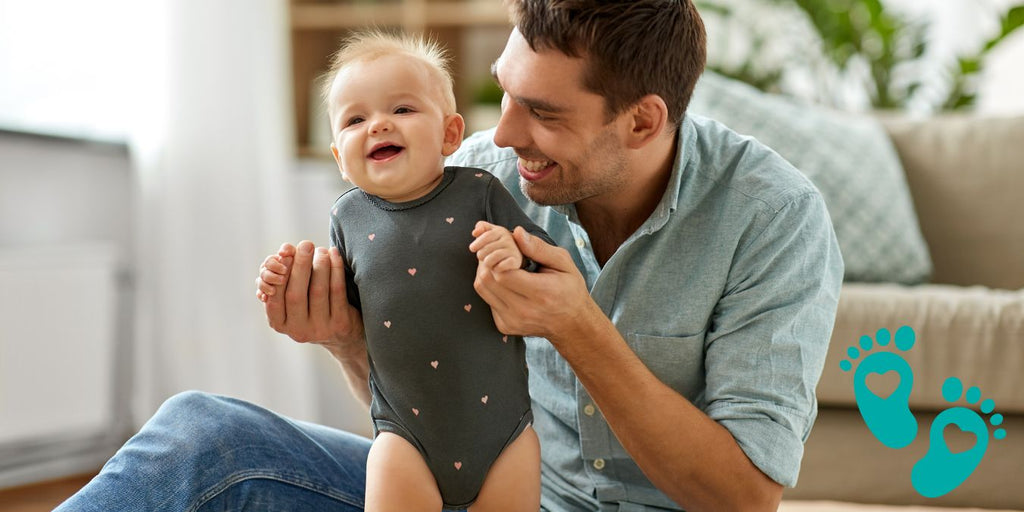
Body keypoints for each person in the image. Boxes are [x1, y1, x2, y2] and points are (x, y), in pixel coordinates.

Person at [57, 1, 843, 511]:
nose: (500, 135)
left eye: (542, 112)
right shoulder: (480, 178)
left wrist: (579, 328)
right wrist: (347, 339)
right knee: (204, 435)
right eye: (504, 92)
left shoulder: (772, 220)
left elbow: (745, 498)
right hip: (472, 495)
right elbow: (420, 400)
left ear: (642, 122)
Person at [263, 30, 551, 511]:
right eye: (355, 119)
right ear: (339, 157)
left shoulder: (480, 191)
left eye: (401, 110)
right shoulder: (346, 218)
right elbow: (346, 309)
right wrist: (300, 286)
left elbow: (545, 262)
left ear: (449, 134)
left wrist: (513, 251)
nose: (378, 125)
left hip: (504, 434)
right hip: (404, 433)